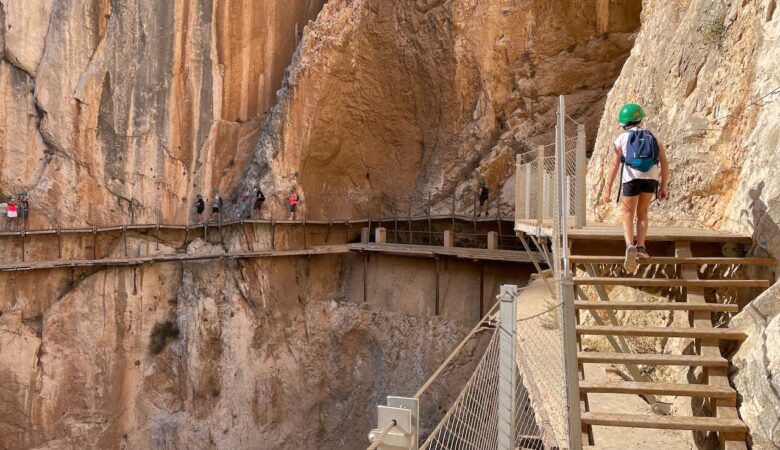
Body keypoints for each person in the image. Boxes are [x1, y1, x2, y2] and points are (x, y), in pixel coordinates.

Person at [602, 103, 669, 273]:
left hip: (631, 179)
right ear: (640, 119)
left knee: (627, 213)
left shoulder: (622, 139)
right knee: (643, 213)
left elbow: (614, 165)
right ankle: (641, 247)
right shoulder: (653, 136)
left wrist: (607, 188)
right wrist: (663, 187)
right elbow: (664, 162)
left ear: (624, 123)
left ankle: (629, 246)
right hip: (650, 178)